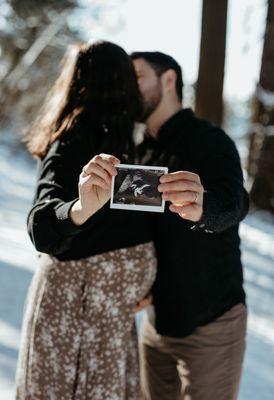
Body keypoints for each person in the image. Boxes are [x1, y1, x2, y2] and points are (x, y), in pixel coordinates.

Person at [15, 41, 157, 400]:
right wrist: (79, 208)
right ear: (120, 84)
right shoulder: (73, 143)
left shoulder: (129, 146)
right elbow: (42, 227)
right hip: (74, 321)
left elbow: (135, 225)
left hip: (107, 323)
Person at [131, 51, 249, 400]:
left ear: (168, 81)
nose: (127, 87)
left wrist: (203, 208)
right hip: (155, 325)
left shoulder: (210, 140)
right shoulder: (137, 151)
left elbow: (237, 202)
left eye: (137, 77)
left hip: (211, 321)